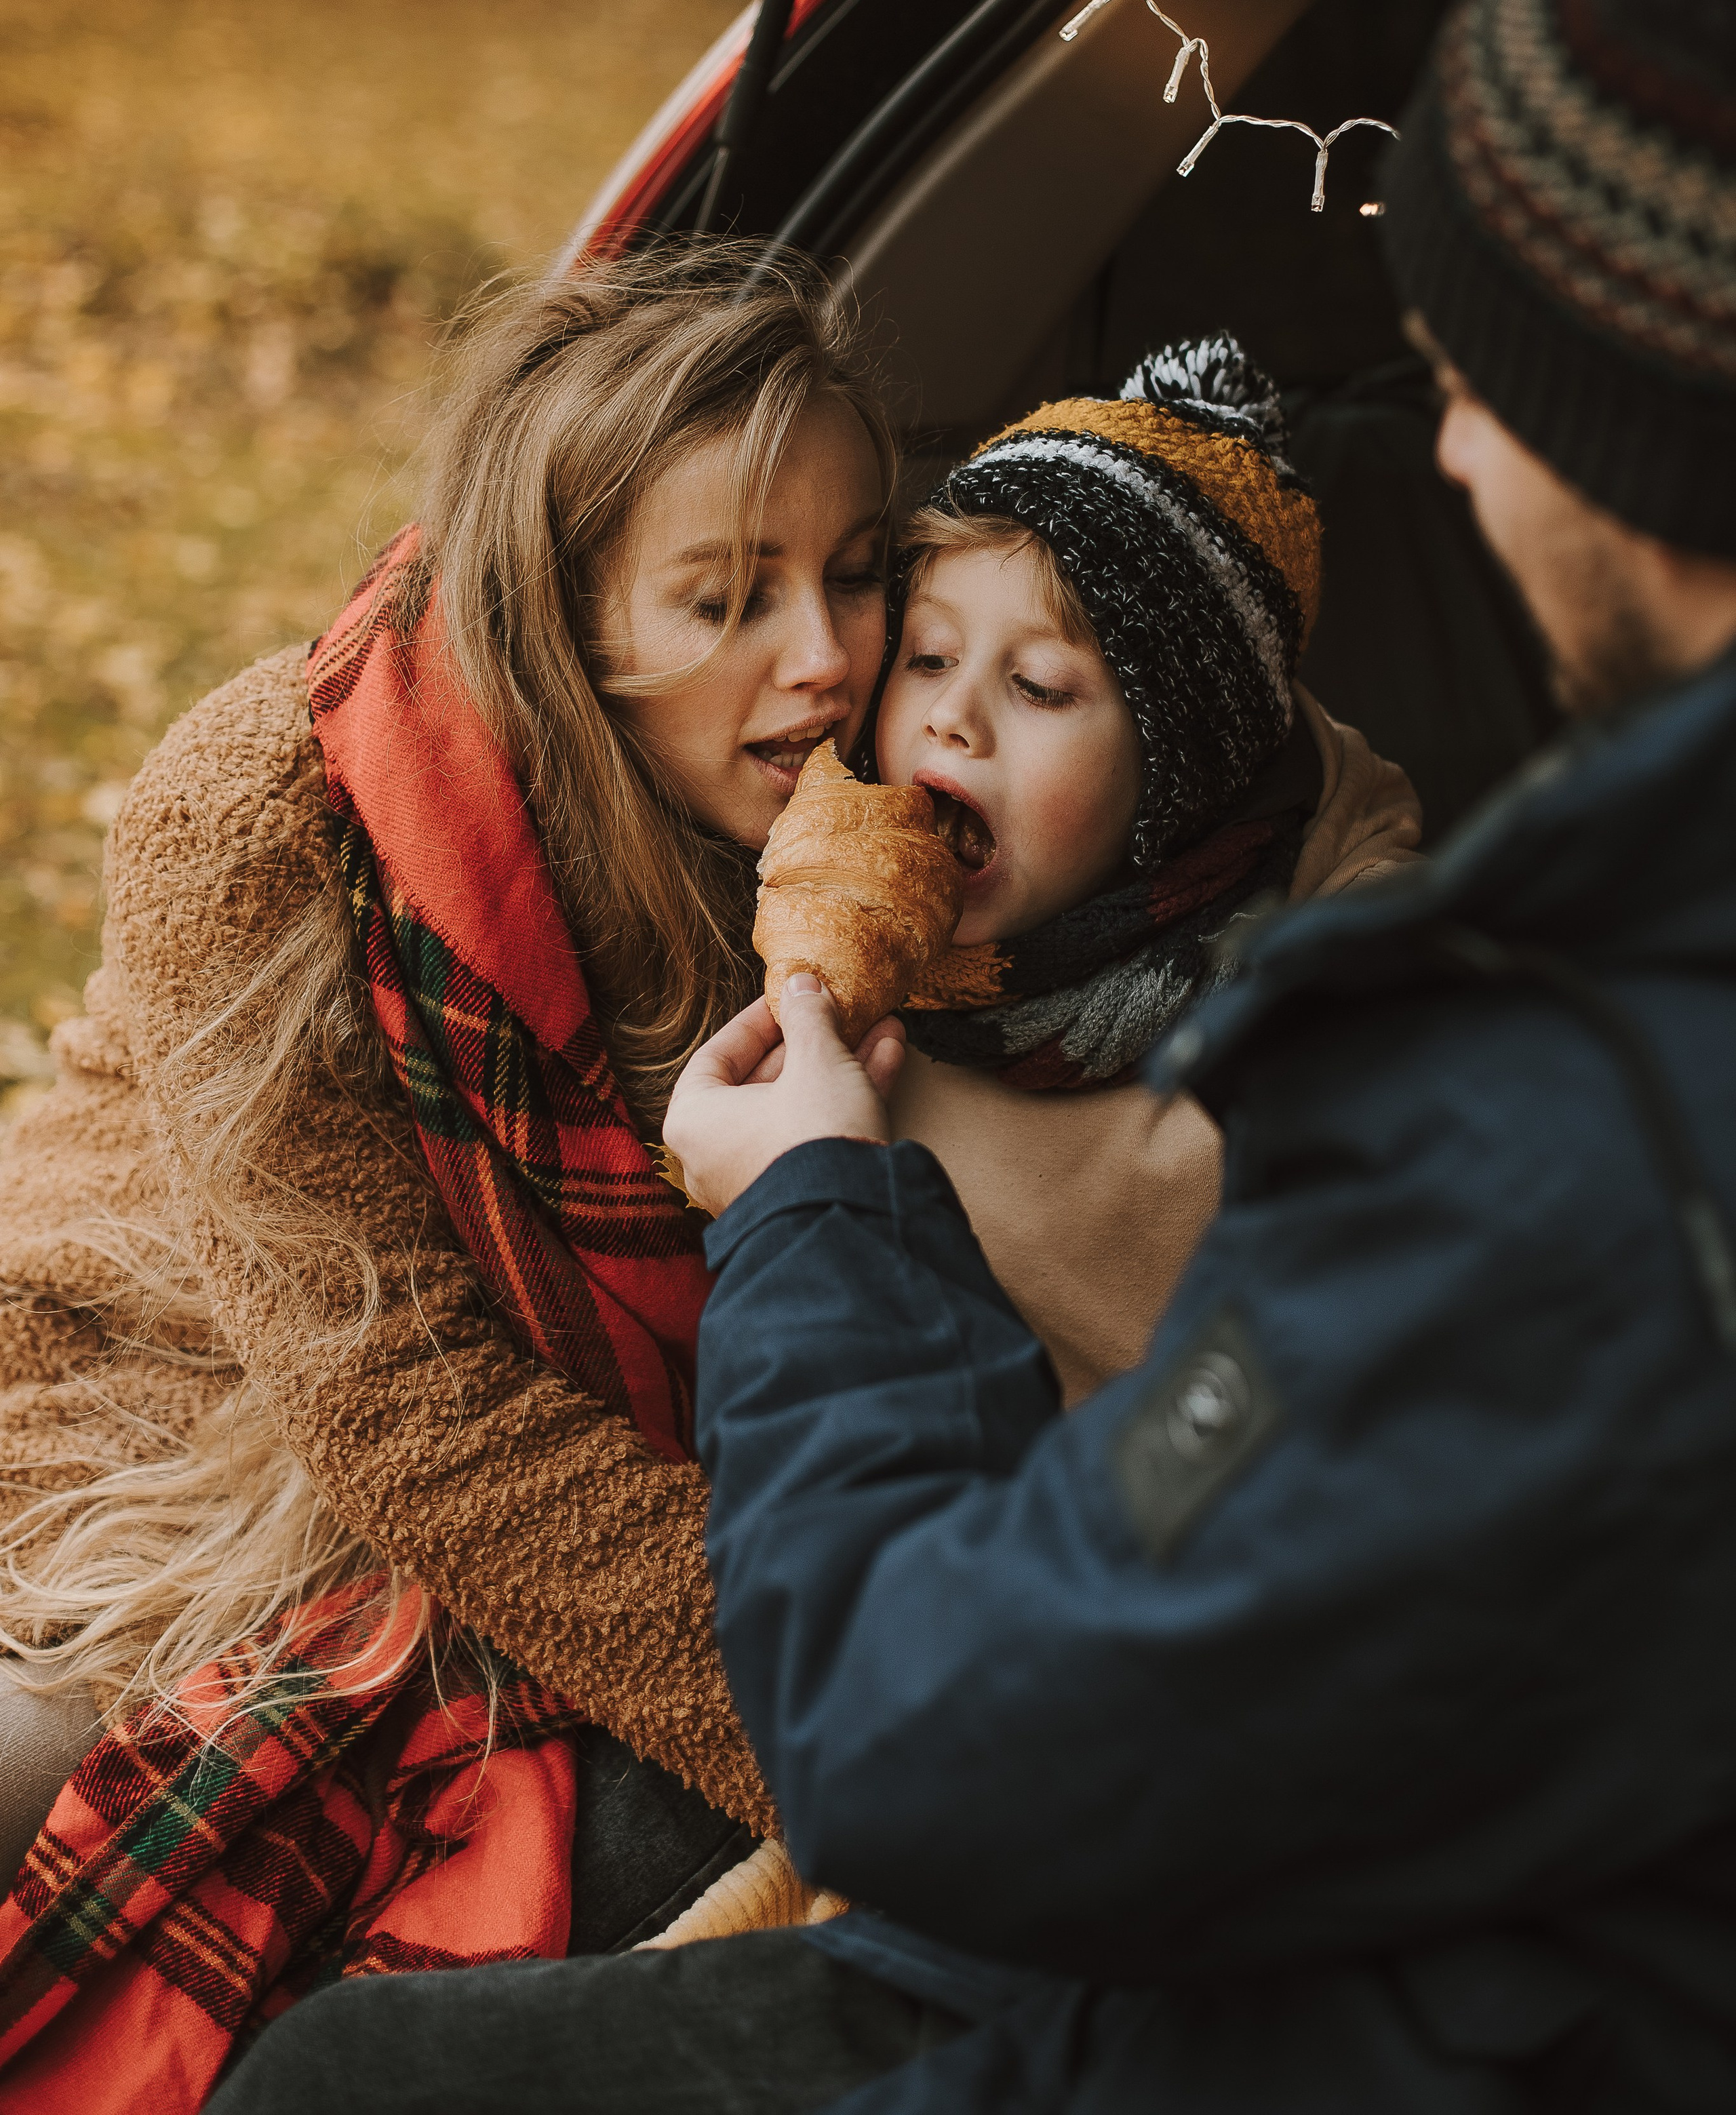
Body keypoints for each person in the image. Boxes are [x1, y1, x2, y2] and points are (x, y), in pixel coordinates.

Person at [204, 0, 1736, 2113]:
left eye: (1476, 379)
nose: (1453, 446)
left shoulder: (1545, 1107)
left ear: (1626, 431)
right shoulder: (1563, 1005)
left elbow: (954, 1747)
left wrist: (820, 1204)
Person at [0, 245, 1409, 2094]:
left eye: (857, 573)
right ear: (566, 618)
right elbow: (415, 1424)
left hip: (695, 1485)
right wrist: (889, 1749)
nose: (826, 660)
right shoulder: (265, 820)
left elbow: (1284, 774)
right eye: (727, 598)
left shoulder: (888, 822)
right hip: (211, 1403)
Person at [873, 346, 1419, 1398]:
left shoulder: (1349, 1035)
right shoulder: (839, 959)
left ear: (1180, 778)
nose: (950, 714)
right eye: (929, 655)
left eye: (1040, 685)